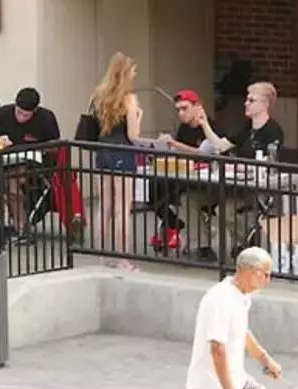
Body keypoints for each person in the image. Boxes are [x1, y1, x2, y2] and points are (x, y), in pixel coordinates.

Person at [186, 247, 284, 389]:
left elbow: (242, 332)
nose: (267, 281)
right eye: (265, 274)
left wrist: (265, 359)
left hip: (240, 383)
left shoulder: (243, 295)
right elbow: (217, 349)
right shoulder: (220, 299)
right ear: (251, 271)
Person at [199, 82, 285, 257]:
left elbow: (269, 163)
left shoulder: (273, 130)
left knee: (229, 210)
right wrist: (204, 123)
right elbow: (221, 145)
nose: (246, 103)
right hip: (238, 185)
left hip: (259, 187)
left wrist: (239, 167)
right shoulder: (245, 127)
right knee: (223, 209)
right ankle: (246, 243)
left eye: (251, 100)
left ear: (265, 104)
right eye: (247, 99)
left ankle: (248, 245)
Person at [151, 90, 220, 252]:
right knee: (154, 191)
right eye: (178, 110)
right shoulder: (183, 128)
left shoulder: (211, 126)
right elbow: (179, 153)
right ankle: (177, 225)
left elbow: (203, 152)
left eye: (184, 108)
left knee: (184, 197)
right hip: (185, 175)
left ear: (197, 107)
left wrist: (174, 143)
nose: (181, 113)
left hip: (207, 180)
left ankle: (198, 239)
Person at [0, 87, 61, 244]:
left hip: (37, 163)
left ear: (35, 111)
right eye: (19, 112)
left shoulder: (46, 117)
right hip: (7, 159)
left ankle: (21, 227)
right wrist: (0, 140)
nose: (21, 117)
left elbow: (55, 145)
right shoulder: (3, 113)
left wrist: (39, 149)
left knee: (12, 180)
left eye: (26, 115)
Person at [91, 52, 141, 271]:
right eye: (133, 71)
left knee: (104, 207)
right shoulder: (129, 99)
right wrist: (139, 117)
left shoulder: (98, 96)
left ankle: (101, 257)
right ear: (125, 73)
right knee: (123, 209)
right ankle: (122, 259)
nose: (135, 74)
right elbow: (134, 135)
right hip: (123, 153)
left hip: (102, 151)